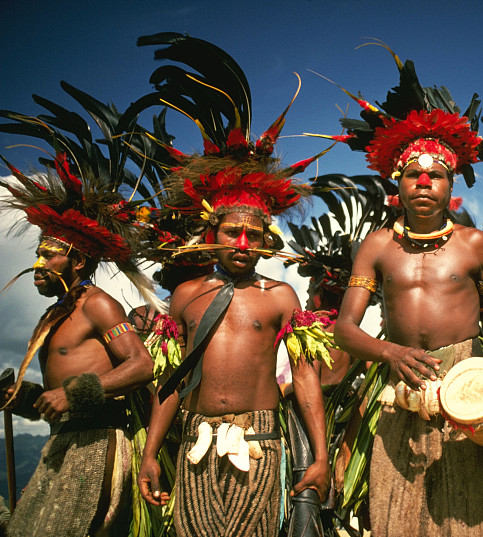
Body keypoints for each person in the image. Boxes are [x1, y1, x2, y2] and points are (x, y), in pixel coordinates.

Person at [131, 33, 330, 537]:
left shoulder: (282, 298)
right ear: (211, 236)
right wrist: (152, 452)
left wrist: (322, 456)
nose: (242, 242)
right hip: (195, 440)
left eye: (254, 235)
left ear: (266, 243)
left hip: (262, 440)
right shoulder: (184, 297)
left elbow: (305, 380)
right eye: (232, 232)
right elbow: (171, 380)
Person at [330, 47, 483, 536]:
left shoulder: (473, 244)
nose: (423, 182)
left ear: (450, 183)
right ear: (397, 182)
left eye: (435, 175)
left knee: (467, 509)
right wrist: (389, 352)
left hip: (466, 381)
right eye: (413, 174)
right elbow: (344, 330)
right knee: (397, 508)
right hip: (396, 384)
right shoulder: (376, 247)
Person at [0, 90, 159, 537]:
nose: (38, 264)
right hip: (61, 444)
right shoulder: (50, 318)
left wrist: (76, 393)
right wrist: (19, 398)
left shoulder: (97, 303)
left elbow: (141, 365)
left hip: (97, 444)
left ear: (79, 262)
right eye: (37, 253)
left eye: (50, 255)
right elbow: (53, 402)